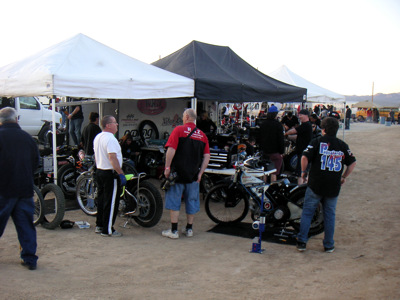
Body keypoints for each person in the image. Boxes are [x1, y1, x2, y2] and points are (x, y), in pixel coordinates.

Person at [296, 117, 356, 253]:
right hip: (333, 185)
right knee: (329, 215)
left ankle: (302, 242)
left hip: (316, 183)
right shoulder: (342, 145)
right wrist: (344, 176)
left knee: (308, 213)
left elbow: (304, 157)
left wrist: (304, 172)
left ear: (323, 129)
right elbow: (352, 162)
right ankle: (328, 244)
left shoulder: (317, 141)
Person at [0, 107, 40, 270]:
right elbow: (36, 163)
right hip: (24, 188)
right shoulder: (27, 138)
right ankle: (30, 258)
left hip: (3, 189)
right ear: (16, 119)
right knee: (26, 226)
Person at [162, 108, 210, 239]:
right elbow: (207, 156)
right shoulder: (202, 135)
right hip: (193, 175)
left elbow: (171, 149)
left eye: (183, 117)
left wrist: (167, 167)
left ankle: (173, 231)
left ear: (187, 117)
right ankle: (189, 229)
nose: (183, 119)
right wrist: (200, 173)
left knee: (174, 201)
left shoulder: (178, 130)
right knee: (192, 201)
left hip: (177, 174)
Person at [93, 115, 126, 237]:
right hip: (109, 173)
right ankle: (107, 229)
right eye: (114, 123)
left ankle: (99, 225)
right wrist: (120, 173)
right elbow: (112, 158)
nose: (117, 124)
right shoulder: (111, 139)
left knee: (101, 199)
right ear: (108, 125)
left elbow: (97, 156)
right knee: (111, 202)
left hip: (100, 170)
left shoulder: (98, 137)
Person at [284, 109, 313, 184]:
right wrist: (289, 137)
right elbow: (298, 136)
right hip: (302, 152)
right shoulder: (305, 126)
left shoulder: (306, 125)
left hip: (304, 153)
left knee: (301, 172)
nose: (299, 117)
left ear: (306, 116)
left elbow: (294, 131)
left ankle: (300, 188)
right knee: (302, 171)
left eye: (301, 115)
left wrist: (285, 134)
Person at [259, 105, 284, 182]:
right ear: (275, 114)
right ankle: (272, 189)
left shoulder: (263, 124)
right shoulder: (278, 125)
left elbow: (259, 138)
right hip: (275, 152)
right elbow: (280, 139)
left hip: (265, 152)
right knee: (274, 172)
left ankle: (263, 189)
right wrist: (281, 152)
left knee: (265, 172)